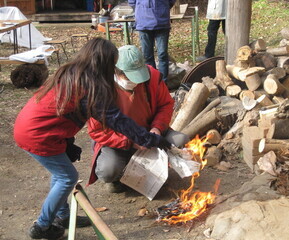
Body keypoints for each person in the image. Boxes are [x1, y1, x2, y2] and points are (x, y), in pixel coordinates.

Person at [13, 38, 171, 240]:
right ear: (104, 63)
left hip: (35, 128)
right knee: (67, 177)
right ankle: (42, 226)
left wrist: (67, 143)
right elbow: (117, 120)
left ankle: (63, 216)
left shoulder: (73, 72)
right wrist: (149, 139)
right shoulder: (89, 86)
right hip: (37, 134)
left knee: (60, 172)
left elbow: (62, 112)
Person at [87, 45, 189, 192]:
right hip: (118, 140)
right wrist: (131, 142)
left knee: (180, 141)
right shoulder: (100, 87)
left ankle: (155, 172)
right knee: (108, 170)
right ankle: (117, 179)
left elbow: (166, 104)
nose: (136, 82)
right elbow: (97, 131)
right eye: (129, 77)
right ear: (116, 71)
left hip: (149, 133)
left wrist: (157, 128)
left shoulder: (153, 76)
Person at [128, 0, 176, 82]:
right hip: (144, 22)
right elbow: (132, 2)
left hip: (162, 23)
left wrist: (162, 8)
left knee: (162, 55)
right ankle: (151, 84)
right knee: (147, 56)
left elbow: (171, 1)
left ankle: (162, 83)